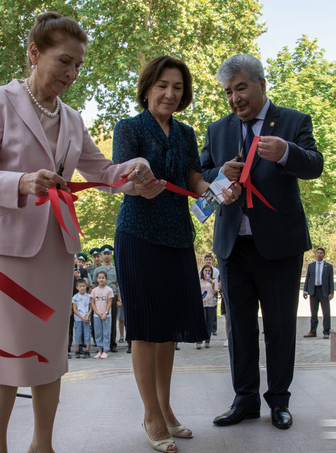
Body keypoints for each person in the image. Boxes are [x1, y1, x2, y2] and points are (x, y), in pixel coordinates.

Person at [0, 11, 157, 453]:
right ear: (34, 53)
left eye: (78, 66)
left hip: (55, 250)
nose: (71, 73)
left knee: (51, 351)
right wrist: (21, 183)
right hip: (2, 251)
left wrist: (135, 175)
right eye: (63, 61)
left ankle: (42, 445)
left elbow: (103, 170)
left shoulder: (73, 118)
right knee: (6, 352)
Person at [113, 55, 241, 452]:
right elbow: (119, 176)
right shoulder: (129, 128)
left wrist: (219, 184)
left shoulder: (185, 134)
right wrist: (136, 182)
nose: (170, 93)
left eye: (178, 87)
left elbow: (193, 178)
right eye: (163, 85)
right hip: (137, 234)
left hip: (177, 237)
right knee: (146, 330)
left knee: (167, 331)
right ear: (148, 88)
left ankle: (166, 409)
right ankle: (151, 415)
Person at [200, 53, 323, 430]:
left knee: (281, 326)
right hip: (232, 247)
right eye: (227, 92)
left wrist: (287, 152)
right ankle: (245, 399)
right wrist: (219, 174)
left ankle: (279, 401)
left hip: (279, 247)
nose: (235, 98)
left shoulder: (293, 121)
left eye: (240, 88)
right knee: (238, 327)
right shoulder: (217, 130)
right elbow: (202, 177)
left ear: (261, 84)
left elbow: (315, 164)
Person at [302, 247, 334, 339]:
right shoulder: (311, 266)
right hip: (313, 291)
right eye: (318, 253)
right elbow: (308, 278)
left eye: (321, 253)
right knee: (313, 313)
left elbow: (330, 280)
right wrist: (305, 290)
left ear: (323, 255)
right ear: (315, 254)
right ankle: (312, 331)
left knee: (326, 313)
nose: (319, 254)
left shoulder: (329, 266)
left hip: (324, 292)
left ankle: (326, 332)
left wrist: (331, 293)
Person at [92, 245, 120, 352]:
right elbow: (94, 286)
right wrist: (93, 300)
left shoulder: (115, 269)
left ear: (111, 255)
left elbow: (118, 285)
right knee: (98, 320)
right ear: (102, 255)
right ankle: (99, 344)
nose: (107, 256)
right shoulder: (98, 270)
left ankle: (112, 343)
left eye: (109, 254)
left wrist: (119, 299)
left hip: (112, 297)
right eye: (105, 254)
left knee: (111, 320)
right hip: (99, 298)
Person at [90, 271, 113, 359]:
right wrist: (97, 313)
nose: (101, 279)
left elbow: (109, 302)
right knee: (98, 333)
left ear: (106, 279)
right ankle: (99, 350)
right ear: (97, 279)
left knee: (106, 333)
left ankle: (105, 350)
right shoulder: (94, 291)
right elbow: (92, 303)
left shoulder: (109, 290)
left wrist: (106, 313)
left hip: (106, 315)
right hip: (97, 315)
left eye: (103, 278)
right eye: (99, 278)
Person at [196, 265, 217, 350]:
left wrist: (211, 282)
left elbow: (215, 290)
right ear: (202, 272)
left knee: (209, 323)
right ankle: (199, 342)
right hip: (202, 304)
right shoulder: (199, 281)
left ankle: (207, 341)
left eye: (209, 271)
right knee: (202, 322)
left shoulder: (214, 280)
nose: (207, 272)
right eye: (205, 270)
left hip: (211, 303)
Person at [72, 279, 92, 358]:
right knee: (78, 334)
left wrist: (87, 316)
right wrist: (81, 317)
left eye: (83, 286)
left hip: (86, 318)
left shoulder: (88, 296)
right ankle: (77, 350)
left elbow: (91, 308)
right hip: (78, 319)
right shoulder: (75, 297)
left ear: (86, 286)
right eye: (80, 286)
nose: (82, 288)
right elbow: (74, 309)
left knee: (87, 334)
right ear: (77, 287)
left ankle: (87, 350)